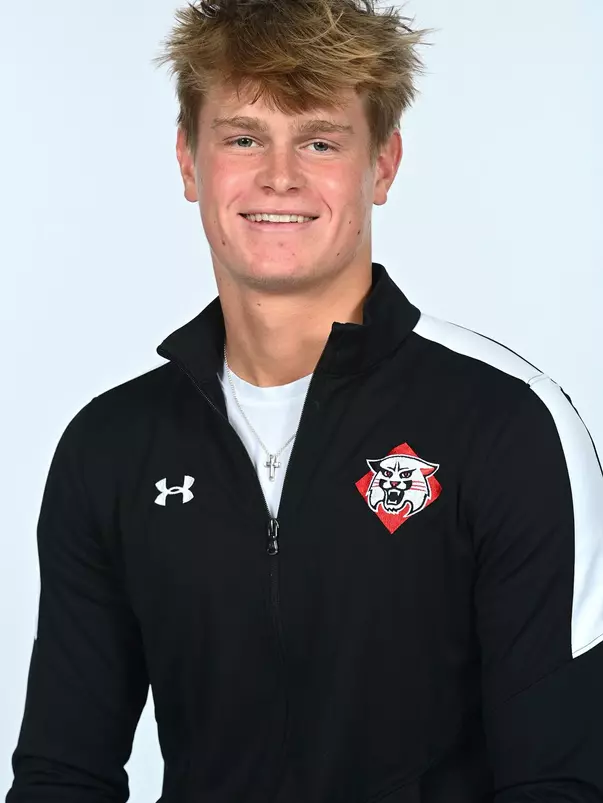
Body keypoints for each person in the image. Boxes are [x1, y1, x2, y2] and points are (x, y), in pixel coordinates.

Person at [6, 0, 603, 801]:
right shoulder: (111, 445)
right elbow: (61, 773)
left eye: (319, 141)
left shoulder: (507, 422)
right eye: (243, 137)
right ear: (188, 161)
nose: (278, 175)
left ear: (382, 165)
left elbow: (560, 779)